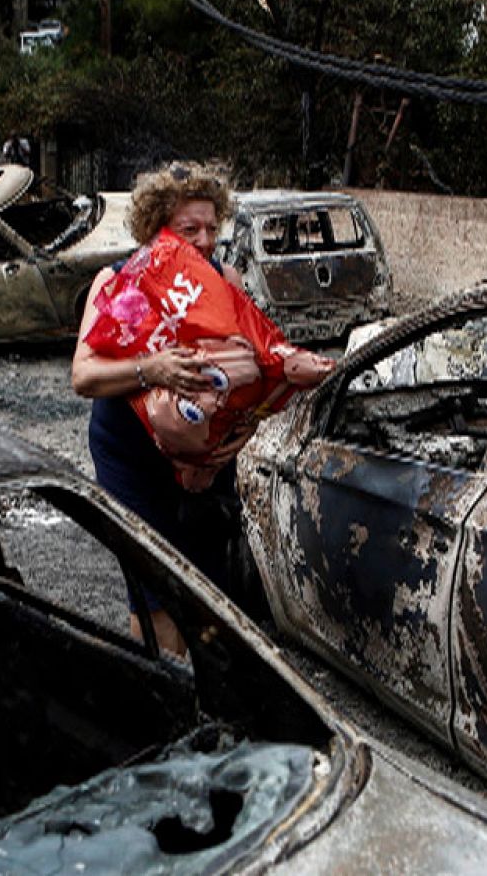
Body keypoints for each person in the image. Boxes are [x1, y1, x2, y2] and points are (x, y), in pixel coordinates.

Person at [71, 162, 332, 655]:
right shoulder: (124, 283)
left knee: (211, 591)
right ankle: (162, 698)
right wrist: (153, 368)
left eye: (213, 228)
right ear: (157, 230)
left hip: (206, 463)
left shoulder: (223, 277)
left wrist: (235, 441)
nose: (207, 240)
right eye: (190, 229)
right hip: (132, 459)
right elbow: (84, 376)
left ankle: (211, 704)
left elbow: (249, 370)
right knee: (154, 595)